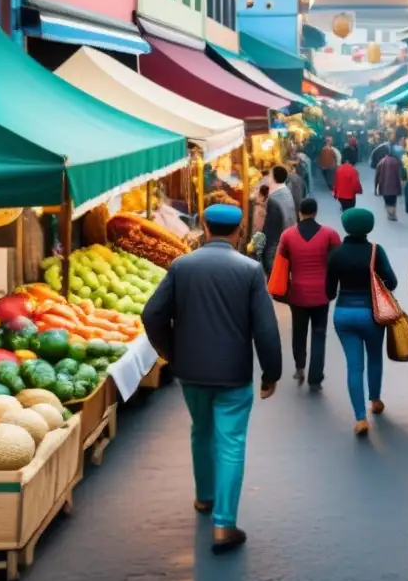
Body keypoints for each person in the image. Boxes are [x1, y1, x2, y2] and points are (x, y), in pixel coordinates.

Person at [142, 205, 282, 552]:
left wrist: (172, 352)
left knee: (200, 431)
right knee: (231, 442)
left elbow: (151, 314)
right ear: (239, 231)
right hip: (233, 373)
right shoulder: (250, 270)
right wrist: (271, 372)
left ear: (205, 228)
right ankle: (224, 523)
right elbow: (265, 328)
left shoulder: (182, 266)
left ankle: (204, 497)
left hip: (191, 372)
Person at [326, 208, 397, 436]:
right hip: (372, 313)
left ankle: (360, 418)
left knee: (354, 366)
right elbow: (392, 282)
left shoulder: (335, 254)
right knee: (374, 357)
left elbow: (329, 292)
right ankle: (375, 400)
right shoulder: (376, 251)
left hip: (344, 314)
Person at [277, 199, 341, 390]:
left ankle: (300, 367)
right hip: (322, 293)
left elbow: (281, 262)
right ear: (316, 211)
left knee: (299, 331)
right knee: (319, 334)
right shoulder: (330, 234)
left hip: (297, 294)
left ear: (299, 212)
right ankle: (315, 376)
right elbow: (337, 261)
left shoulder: (287, 235)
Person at [261, 166, 298, 276]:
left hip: (277, 244)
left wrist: (263, 247)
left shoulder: (274, 199)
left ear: (273, 178)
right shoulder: (287, 191)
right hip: (289, 238)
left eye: (270, 176)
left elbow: (270, 229)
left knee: (275, 276)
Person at [374, 148, 403, 222]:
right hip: (394, 186)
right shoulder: (396, 161)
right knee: (393, 201)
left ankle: (390, 215)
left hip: (384, 187)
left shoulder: (382, 161)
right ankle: (393, 214)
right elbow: (399, 175)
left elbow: (377, 175)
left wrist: (375, 188)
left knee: (387, 201)